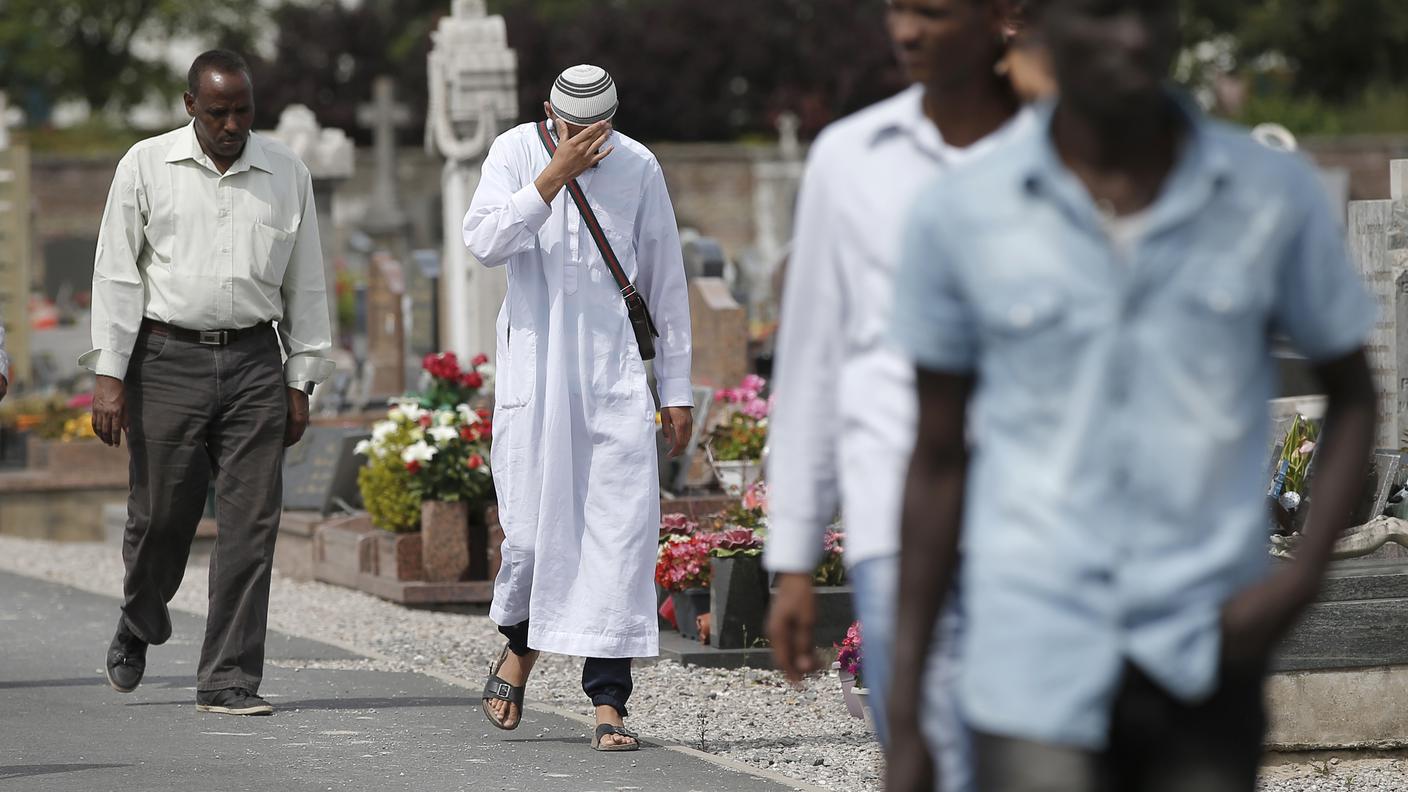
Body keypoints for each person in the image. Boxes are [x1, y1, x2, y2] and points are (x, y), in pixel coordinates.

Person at [886, 1, 1378, 790]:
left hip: (1207, 650)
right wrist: (906, 710)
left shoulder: (1266, 195)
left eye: (1153, 11)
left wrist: (1301, 578)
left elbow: (1352, 395)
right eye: (1104, 12)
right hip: (1033, 658)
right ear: (1039, 24)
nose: (1135, 38)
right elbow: (937, 459)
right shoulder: (965, 214)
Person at [763, 1, 1028, 788]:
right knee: (924, 741)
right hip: (894, 512)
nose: (907, 32)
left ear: (1001, 16)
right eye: (897, 8)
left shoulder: (1068, 149)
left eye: (935, 11)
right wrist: (794, 559)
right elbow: (812, 357)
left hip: (1042, 513)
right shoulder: (852, 157)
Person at [85, 49, 334, 717]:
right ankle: (139, 617)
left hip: (257, 363)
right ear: (190, 105)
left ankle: (227, 679)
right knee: (162, 515)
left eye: (242, 111)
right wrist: (110, 376)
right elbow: (115, 274)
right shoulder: (146, 165)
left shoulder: (285, 171)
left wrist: (302, 377)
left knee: (251, 525)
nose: (231, 124)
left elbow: (305, 281)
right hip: (166, 359)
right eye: (218, 111)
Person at [462, 64, 694, 751]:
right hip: (536, 380)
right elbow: (483, 242)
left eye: (598, 132)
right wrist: (551, 175)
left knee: (618, 540)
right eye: (573, 131)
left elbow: (666, 278)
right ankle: (519, 650)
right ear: (548, 115)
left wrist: (676, 390)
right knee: (532, 538)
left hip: (612, 378)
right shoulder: (513, 152)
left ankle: (608, 704)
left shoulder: (639, 167)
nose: (588, 143)